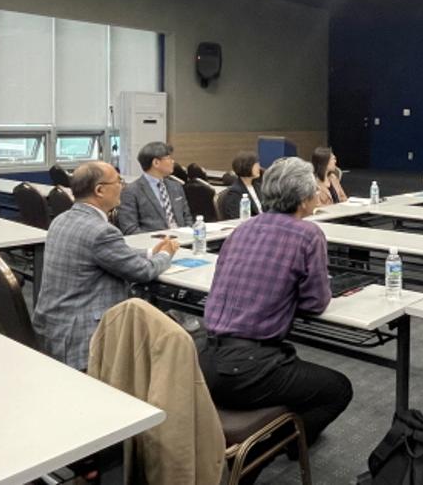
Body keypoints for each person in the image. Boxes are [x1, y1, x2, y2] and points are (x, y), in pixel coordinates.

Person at [198, 158, 353, 473]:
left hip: (204, 361)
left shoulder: (241, 230)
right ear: (304, 198)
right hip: (248, 370)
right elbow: (315, 303)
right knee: (338, 389)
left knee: (293, 368)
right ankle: (267, 453)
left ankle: (279, 442)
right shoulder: (308, 234)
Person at [32, 161, 179, 370]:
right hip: (82, 336)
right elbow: (143, 272)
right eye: (118, 182)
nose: (123, 186)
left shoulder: (61, 219)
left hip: (54, 326)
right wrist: (166, 254)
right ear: (100, 190)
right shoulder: (101, 231)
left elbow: (105, 252)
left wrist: (150, 252)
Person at [117, 141, 194, 234]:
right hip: (154, 240)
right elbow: (130, 229)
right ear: (156, 163)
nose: (173, 161)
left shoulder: (176, 186)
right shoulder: (131, 191)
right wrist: (160, 240)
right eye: (169, 158)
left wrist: (188, 233)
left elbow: (187, 217)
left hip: (183, 238)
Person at [219, 151, 262, 219]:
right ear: (247, 167)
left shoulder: (258, 187)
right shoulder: (235, 192)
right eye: (256, 165)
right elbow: (236, 218)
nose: (259, 168)